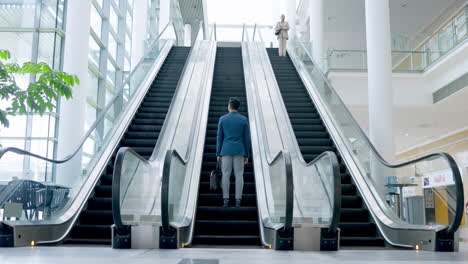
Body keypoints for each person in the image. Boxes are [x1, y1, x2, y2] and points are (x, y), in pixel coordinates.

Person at [216, 97, 251, 207]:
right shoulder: (243, 119)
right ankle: (238, 200)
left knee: (225, 175)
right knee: (239, 175)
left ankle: (225, 200)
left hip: (225, 150)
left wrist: (218, 153)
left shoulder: (222, 119)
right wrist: (247, 154)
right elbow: (247, 139)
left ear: (229, 106)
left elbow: (219, 137)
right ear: (238, 107)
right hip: (240, 151)